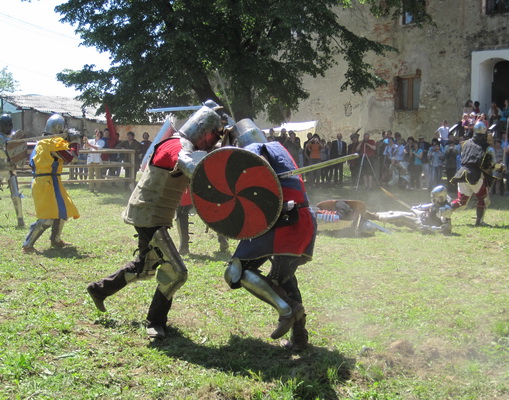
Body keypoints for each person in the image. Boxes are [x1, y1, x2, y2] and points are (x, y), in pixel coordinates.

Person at [86, 102, 226, 339]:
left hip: (151, 214)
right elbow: (188, 165)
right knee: (177, 272)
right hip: (148, 215)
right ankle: (155, 322)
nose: (213, 141)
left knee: (145, 266)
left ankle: (99, 289)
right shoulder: (177, 145)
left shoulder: (182, 145)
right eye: (213, 135)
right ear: (203, 131)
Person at [224, 119, 316, 352]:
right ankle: (299, 337)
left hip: (284, 221)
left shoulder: (255, 150)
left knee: (236, 270)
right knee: (283, 279)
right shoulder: (280, 149)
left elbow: (261, 174)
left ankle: (287, 310)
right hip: (303, 218)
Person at [22, 114, 81, 253]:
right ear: (59, 129)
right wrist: (75, 142)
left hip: (51, 180)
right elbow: (72, 158)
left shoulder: (44, 142)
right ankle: (27, 244)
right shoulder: (50, 143)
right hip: (45, 182)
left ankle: (56, 239)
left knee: (63, 211)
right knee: (47, 217)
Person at [450, 121, 495, 227]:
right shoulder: (488, 148)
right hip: (475, 175)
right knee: (483, 199)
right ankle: (479, 222)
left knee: (461, 201)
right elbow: (490, 165)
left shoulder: (465, 143)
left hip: (462, 173)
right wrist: (500, 166)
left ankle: (443, 214)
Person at [372, 185, 453, 234]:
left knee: (401, 217)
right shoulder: (438, 204)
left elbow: (446, 228)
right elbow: (430, 206)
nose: (433, 198)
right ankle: (374, 214)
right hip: (421, 215)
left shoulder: (445, 209)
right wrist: (417, 208)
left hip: (421, 223)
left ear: (440, 196)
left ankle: (375, 218)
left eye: (435, 196)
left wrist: (428, 228)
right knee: (394, 212)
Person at [0, 113, 25, 227]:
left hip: (11, 169)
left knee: (16, 195)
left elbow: (19, 151)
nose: (8, 127)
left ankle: (20, 219)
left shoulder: (16, 136)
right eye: (5, 124)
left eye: (9, 124)